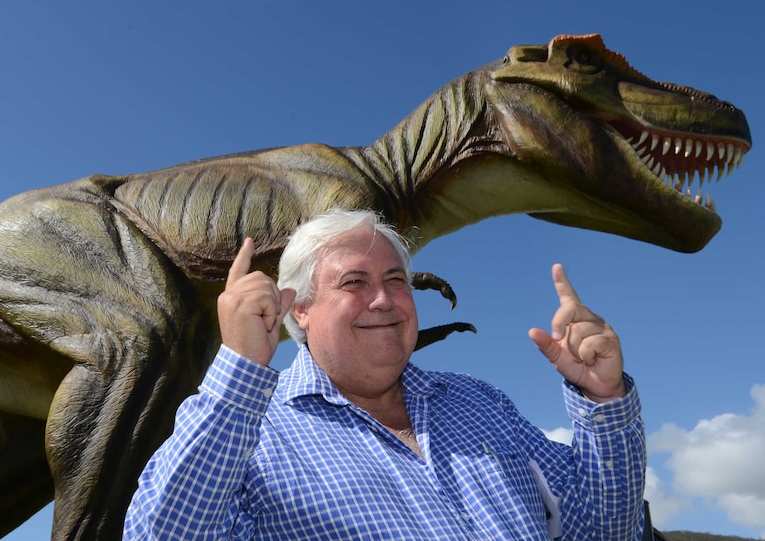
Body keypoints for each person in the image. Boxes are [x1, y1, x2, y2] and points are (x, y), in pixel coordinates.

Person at [123, 209, 646, 540]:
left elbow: (604, 529)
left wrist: (603, 401)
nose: (384, 299)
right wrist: (239, 369)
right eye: (354, 281)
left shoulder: (479, 402)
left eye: (396, 280)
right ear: (297, 309)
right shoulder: (251, 434)